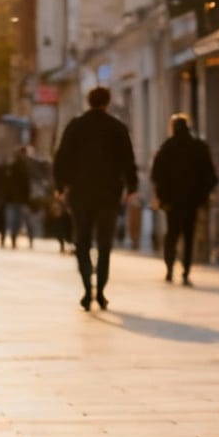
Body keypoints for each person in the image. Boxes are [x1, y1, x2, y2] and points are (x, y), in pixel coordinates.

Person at [52, 87, 139, 310]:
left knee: (82, 242)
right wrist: (132, 186)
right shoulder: (117, 128)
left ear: (88, 101)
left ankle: (86, 289)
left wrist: (60, 185)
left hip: (81, 193)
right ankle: (100, 290)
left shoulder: (76, 126)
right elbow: (128, 159)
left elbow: (61, 156)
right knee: (104, 244)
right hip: (109, 194)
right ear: (107, 102)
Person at [149, 115, 219, 284]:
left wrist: (161, 196)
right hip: (192, 200)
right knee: (189, 234)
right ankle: (186, 271)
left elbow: (156, 175)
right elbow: (210, 176)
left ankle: (169, 269)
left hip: (171, 201)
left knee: (172, 233)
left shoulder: (166, 148)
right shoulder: (198, 147)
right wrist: (202, 195)